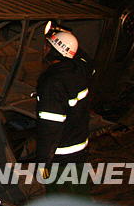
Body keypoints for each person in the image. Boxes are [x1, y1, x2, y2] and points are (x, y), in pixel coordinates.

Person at [35, 27, 92, 196]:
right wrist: (65, 36)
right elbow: (82, 56)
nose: (44, 48)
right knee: (80, 193)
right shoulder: (80, 69)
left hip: (60, 156)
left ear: (56, 51)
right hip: (80, 147)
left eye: (48, 45)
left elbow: (50, 127)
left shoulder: (52, 83)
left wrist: (43, 162)